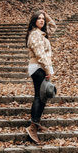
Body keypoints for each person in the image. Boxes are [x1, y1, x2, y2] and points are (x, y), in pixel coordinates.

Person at [25, 10, 56, 144]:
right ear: (34, 21)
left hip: (41, 67)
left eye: (43, 19)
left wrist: (46, 15)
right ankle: (32, 126)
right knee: (39, 95)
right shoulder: (35, 35)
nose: (42, 20)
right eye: (39, 18)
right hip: (38, 67)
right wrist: (47, 69)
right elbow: (40, 54)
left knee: (43, 96)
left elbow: (53, 27)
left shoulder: (42, 34)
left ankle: (36, 124)